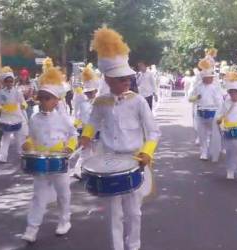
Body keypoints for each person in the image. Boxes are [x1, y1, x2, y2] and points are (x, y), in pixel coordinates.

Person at [80, 27, 160, 250]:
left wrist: (147, 152)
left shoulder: (138, 101)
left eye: (128, 78)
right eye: (120, 78)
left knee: (134, 211)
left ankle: (133, 245)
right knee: (114, 213)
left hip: (134, 161)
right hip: (108, 161)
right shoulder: (101, 102)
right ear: (108, 79)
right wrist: (86, 137)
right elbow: (93, 122)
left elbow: (153, 131)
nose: (126, 81)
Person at [21, 66, 78, 243]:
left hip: (59, 162)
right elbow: (30, 136)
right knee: (38, 196)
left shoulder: (63, 118)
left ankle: (64, 221)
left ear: (56, 100)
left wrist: (69, 147)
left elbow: (73, 134)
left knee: (63, 193)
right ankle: (32, 228)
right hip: (40, 162)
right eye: (41, 97)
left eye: (47, 98)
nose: (42, 101)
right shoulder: (34, 119)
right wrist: (28, 144)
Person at [216, 71, 237, 184]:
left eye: (236, 93)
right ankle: (230, 170)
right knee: (230, 152)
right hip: (227, 131)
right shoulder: (225, 103)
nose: (234, 95)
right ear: (229, 93)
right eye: (232, 93)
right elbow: (219, 115)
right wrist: (219, 121)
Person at [189, 58, 223, 160]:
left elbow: (219, 101)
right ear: (203, 78)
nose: (210, 79)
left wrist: (220, 114)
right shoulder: (198, 87)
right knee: (202, 134)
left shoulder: (214, 88)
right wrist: (195, 98)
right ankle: (203, 152)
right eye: (208, 77)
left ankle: (214, 149)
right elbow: (190, 98)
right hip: (200, 113)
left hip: (212, 113)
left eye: (211, 77)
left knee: (214, 134)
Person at [0, 67, 29, 163]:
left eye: (11, 81)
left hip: (17, 116)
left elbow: (23, 102)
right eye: (7, 81)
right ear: (4, 82)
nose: (9, 83)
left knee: (19, 138)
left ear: (13, 82)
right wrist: (0, 107)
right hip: (6, 117)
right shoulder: (1, 93)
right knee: (5, 137)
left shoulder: (17, 92)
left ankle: (21, 154)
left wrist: (23, 105)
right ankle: (2, 156)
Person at [72, 64, 99, 179]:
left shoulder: (99, 103)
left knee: (97, 152)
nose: (89, 94)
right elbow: (79, 117)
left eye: (91, 92)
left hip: (97, 131)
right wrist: (79, 131)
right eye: (87, 92)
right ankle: (78, 171)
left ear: (95, 91)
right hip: (85, 131)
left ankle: (93, 171)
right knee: (84, 152)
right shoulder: (82, 103)